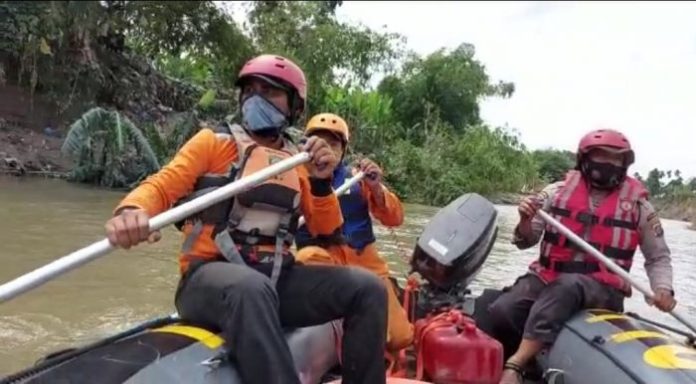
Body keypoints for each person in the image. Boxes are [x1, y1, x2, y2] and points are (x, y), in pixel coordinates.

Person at [104, 54, 388, 384]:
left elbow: (326, 229)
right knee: (251, 288)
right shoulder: (213, 143)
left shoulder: (299, 160)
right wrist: (131, 211)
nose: (256, 99)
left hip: (278, 277)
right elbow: (162, 186)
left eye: (270, 92)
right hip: (208, 280)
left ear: (294, 106)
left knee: (367, 288)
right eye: (250, 91)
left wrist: (322, 181)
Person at [488, 129, 677, 384]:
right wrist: (525, 219)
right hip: (548, 275)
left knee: (568, 286)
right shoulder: (556, 192)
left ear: (625, 164)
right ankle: (533, 364)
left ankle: (516, 364)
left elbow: (658, 257)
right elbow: (526, 241)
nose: (609, 165)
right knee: (503, 310)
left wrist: (663, 289)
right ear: (585, 159)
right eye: (602, 157)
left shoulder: (639, 207)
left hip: (603, 287)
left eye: (616, 160)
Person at [293, 113, 414, 352]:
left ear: (343, 150)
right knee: (305, 259)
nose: (326, 149)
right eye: (320, 141)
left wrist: (377, 188)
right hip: (323, 259)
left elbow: (395, 218)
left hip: (365, 262)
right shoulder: (294, 176)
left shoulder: (359, 179)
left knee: (401, 339)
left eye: (334, 144)